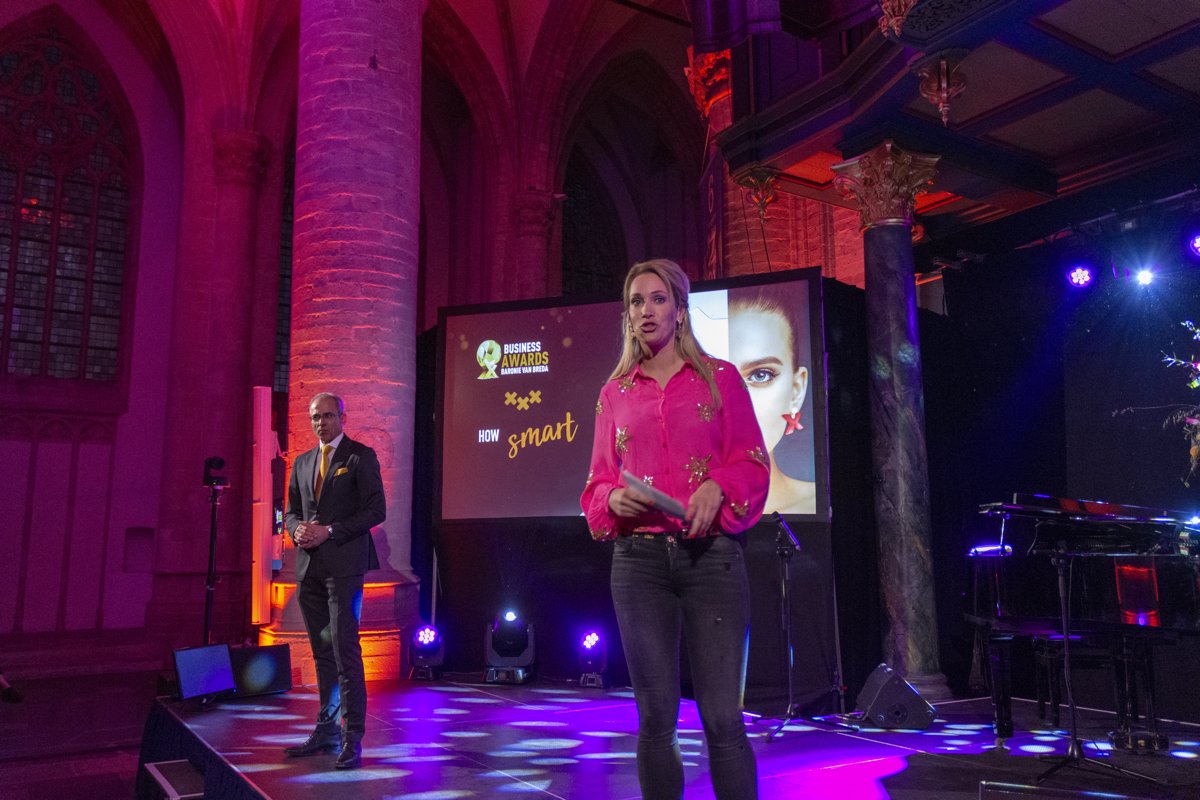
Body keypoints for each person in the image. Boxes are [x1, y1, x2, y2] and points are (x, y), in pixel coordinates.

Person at [581, 259, 769, 800]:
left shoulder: (721, 379)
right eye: (636, 301)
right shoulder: (614, 393)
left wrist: (719, 486)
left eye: (658, 299)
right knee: (656, 718)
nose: (646, 310)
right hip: (638, 565)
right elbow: (597, 483)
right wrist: (613, 498)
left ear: (681, 310)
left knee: (723, 718)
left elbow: (753, 463)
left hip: (712, 559)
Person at [283, 392, 385, 770]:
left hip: (344, 568)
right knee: (323, 653)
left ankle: (351, 736)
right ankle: (326, 730)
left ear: (342, 417)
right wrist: (296, 530)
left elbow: (376, 510)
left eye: (327, 416)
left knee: (345, 652)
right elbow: (291, 512)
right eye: (315, 417)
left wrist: (330, 530)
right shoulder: (302, 462)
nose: (320, 423)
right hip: (309, 571)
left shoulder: (360, 456)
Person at [728, 287, 816, 514]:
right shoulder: (664, 514)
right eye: (710, 377)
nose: (736, 403)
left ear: (796, 390)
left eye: (760, 375)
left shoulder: (812, 504)